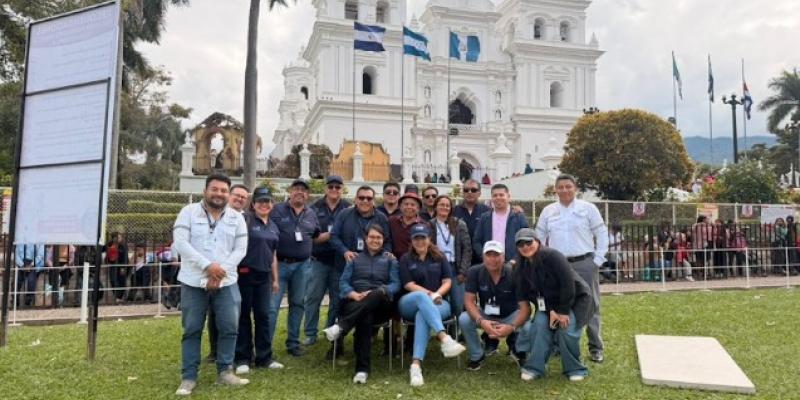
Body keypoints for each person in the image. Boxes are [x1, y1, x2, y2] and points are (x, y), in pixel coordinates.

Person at [172, 173, 249, 395]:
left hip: (227, 282)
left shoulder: (237, 217)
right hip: (193, 282)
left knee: (229, 328)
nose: (219, 194)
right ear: (205, 190)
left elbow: (240, 250)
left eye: (224, 190)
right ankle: (188, 377)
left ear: (228, 193)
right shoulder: (188, 212)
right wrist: (208, 267)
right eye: (215, 189)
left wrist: (219, 272)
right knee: (192, 329)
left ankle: (225, 371)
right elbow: (181, 244)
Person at [534, 174, 608, 363]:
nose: (564, 190)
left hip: (584, 263)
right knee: (559, 303)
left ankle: (595, 347)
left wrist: (597, 260)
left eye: (568, 187)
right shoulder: (548, 211)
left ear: (575, 189)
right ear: (555, 190)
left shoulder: (588, 208)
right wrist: (543, 259)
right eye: (561, 187)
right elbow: (539, 236)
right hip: (558, 265)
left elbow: (601, 233)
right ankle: (558, 344)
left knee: (591, 305)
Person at [322, 225, 400, 384]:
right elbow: (343, 283)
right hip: (355, 302)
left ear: (383, 240)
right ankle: (362, 370)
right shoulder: (354, 258)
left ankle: (341, 326)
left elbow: (396, 284)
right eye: (372, 237)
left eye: (378, 237)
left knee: (376, 294)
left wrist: (380, 291)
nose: (375, 240)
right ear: (365, 239)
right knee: (365, 317)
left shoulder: (389, 259)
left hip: (381, 304)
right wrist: (354, 294)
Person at [513, 228, 593, 382]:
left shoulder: (553, 256)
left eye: (529, 242)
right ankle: (534, 367)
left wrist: (562, 312)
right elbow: (535, 296)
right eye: (520, 244)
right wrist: (551, 311)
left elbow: (568, 285)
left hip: (575, 300)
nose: (525, 246)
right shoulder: (521, 268)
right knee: (539, 325)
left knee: (566, 329)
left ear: (537, 242)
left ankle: (575, 368)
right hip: (549, 306)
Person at [398, 224, 466, 387]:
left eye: (423, 238)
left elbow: (447, 281)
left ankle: (415, 366)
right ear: (412, 240)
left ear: (429, 239)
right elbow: (408, 284)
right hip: (410, 302)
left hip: (439, 302)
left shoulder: (439, 257)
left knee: (422, 314)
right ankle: (444, 337)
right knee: (422, 298)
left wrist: (438, 294)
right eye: (416, 238)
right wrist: (431, 294)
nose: (420, 241)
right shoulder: (405, 259)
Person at [329, 185, 391, 358]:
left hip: (372, 271)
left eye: (369, 198)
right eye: (361, 197)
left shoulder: (381, 218)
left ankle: (342, 330)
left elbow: (387, 241)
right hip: (345, 267)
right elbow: (334, 236)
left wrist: (383, 256)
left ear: (374, 200)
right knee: (337, 304)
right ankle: (336, 345)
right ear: (356, 199)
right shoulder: (344, 214)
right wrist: (345, 251)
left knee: (368, 301)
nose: (365, 201)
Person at [234, 187, 285, 375]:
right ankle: (243, 358)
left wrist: (275, 279)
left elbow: (273, 255)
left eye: (268, 201)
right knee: (244, 317)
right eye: (260, 201)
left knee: (263, 316)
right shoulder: (245, 220)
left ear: (272, 204)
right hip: (245, 275)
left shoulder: (273, 226)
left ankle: (264, 358)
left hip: (264, 277)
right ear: (253, 204)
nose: (264, 204)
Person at [268, 179, 321, 358]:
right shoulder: (276, 210)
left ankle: (293, 343)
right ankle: (264, 345)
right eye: (296, 189)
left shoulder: (311, 214)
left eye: (304, 190)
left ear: (308, 195)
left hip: (303, 266)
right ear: (290, 191)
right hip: (279, 265)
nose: (300, 192)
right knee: (272, 307)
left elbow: (315, 235)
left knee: (298, 304)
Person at [458, 241, 522, 371]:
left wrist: (512, 326)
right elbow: (469, 301)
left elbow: (525, 306)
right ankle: (477, 355)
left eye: (496, 255)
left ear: (503, 257)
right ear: (483, 256)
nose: (492, 259)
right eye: (489, 255)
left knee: (527, 324)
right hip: (485, 314)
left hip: (510, 315)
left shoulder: (514, 273)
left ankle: (520, 352)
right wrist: (481, 321)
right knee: (464, 319)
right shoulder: (474, 271)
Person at [303, 175, 351, 347]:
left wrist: (331, 236)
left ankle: (329, 330)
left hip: (339, 262)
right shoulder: (314, 208)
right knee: (313, 298)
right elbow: (310, 237)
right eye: (330, 187)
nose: (334, 190)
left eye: (337, 187)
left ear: (342, 189)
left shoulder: (348, 208)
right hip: (319, 260)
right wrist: (332, 235)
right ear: (325, 188)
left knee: (336, 299)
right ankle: (310, 333)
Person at [207, 183, 250, 362]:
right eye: (236, 195)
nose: (239, 199)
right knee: (214, 312)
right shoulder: (215, 217)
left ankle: (235, 352)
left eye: (243, 197)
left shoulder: (248, 218)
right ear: (229, 196)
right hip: (218, 272)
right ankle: (215, 351)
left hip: (242, 274)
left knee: (235, 315)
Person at [429, 195, 472, 323]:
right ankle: (443, 330)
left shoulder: (459, 224)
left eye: (447, 205)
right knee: (439, 301)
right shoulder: (430, 225)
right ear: (435, 207)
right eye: (441, 204)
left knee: (458, 303)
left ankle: (457, 332)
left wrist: (463, 271)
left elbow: (467, 249)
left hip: (455, 268)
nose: (444, 207)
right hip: (437, 268)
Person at [472, 184, 529, 262]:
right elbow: (476, 241)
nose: (498, 197)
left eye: (501, 195)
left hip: (514, 264)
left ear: (508, 196)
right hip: (490, 264)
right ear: (491, 198)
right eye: (495, 195)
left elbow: (526, 240)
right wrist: (484, 256)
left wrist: (515, 260)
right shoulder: (484, 218)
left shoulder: (518, 217)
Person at [453, 179, 491, 265]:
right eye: (466, 190)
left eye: (473, 190)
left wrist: (514, 209)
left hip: (482, 260)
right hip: (460, 261)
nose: (469, 192)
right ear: (463, 192)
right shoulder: (454, 211)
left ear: (479, 193)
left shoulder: (487, 211)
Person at [389, 192, 428, 259]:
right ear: (400, 207)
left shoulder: (424, 225)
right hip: (393, 261)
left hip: (414, 262)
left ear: (418, 208)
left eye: (413, 205)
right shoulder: (392, 221)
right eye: (406, 204)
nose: (409, 207)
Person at [106, 232, 129, 304]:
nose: (119, 239)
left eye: (120, 237)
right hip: (113, 265)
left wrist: (123, 267)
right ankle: (117, 296)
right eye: (117, 237)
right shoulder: (110, 244)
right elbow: (103, 249)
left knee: (122, 281)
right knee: (113, 281)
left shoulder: (123, 246)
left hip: (122, 265)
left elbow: (125, 257)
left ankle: (119, 297)